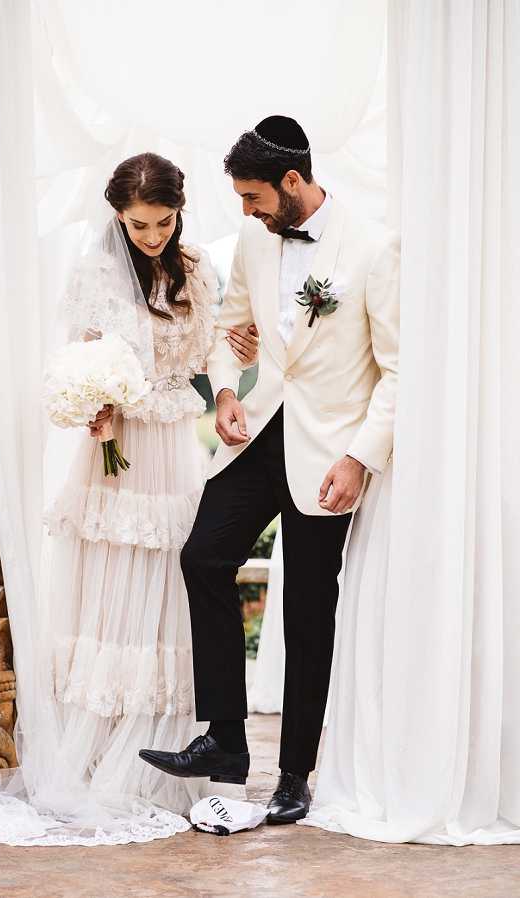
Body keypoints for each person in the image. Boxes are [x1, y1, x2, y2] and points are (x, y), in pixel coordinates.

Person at [140, 116, 400, 825]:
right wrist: (226, 390)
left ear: (292, 182)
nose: (247, 213)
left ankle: (294, 776)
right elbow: (231, 327)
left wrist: (359, 457)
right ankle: (225, 742)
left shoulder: (374, 247)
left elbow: (398, 372)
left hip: (332, 453)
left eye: (253, 197)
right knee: (203, 556)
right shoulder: (256, 238)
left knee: (309, 612)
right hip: (261, 431)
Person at [42, 152, 259, 831]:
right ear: (117, 217)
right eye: (139, 225)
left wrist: (234, 366)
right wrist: (95, 410)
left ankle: (165, 759)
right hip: (118, 452)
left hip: (172, 450)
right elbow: (75, 361)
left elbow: (211, 355)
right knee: (113, 591)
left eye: (163, 222)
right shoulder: (94, 272)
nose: (153, 235)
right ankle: (102, 752)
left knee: (171, 586)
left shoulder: (196, 269)